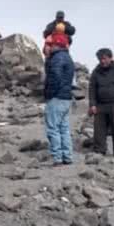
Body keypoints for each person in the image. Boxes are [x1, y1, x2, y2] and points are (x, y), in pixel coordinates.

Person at [89, 48, 114, 156]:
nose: (102, 61)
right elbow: (92, 88)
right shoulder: (96, 71)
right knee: (99, 130)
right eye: (100, 59)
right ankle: (99, 151)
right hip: (101, 105)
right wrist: (92, 104)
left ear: (110, 58)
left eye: (104, 59)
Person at [43, 33, 75, 166]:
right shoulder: (68, 57)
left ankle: (57, 157)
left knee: (53, 128)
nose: (48, 47)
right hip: (66, 97)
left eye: (51, 44)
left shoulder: (56, 58)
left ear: (56, 45)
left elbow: (54, 77)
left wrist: (48, 94)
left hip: (56, 97)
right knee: (64, 128)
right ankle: (67, 156)